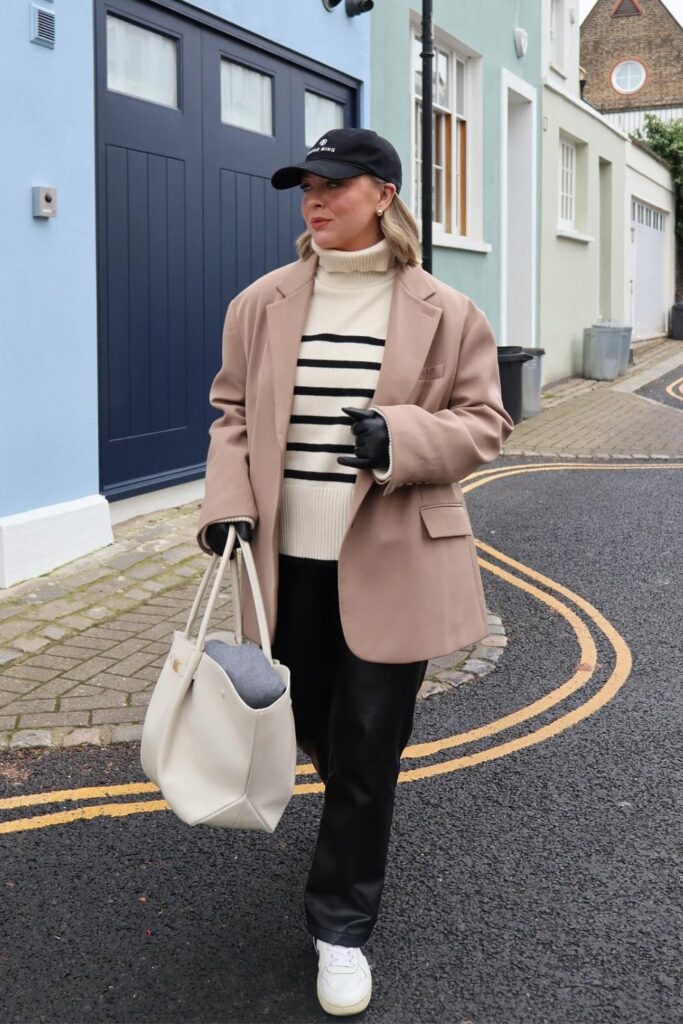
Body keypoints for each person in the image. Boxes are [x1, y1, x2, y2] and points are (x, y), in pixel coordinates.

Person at [197, 127, 514, 1016]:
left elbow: (485, 422)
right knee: (311, 729)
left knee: (369, 745)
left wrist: (400, 438)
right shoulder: (258, 303)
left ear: (383, 194)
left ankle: (339, 929)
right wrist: (227, 504)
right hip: (284, 565)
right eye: (306, 186)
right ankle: (354, 814)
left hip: (393, 560)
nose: (315, 200)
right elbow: (230, 414)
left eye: (334, 184)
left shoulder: (447, 310)